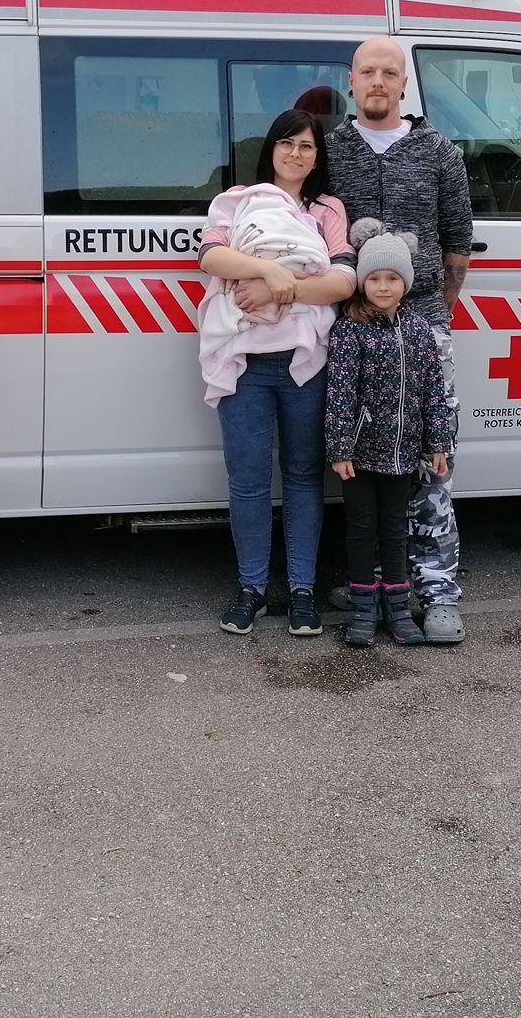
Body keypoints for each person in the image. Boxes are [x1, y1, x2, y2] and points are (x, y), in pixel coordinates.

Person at [248, 37, 472, 643]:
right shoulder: (330, 149)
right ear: (351, 81)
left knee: (430, 462)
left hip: (422, 322)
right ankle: (375, 580)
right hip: (344, 327)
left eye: (390, 73)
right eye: (368, 71)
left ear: (406, 84)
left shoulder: (440, 153)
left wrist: (434, 320)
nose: (378, 81)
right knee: (357, 463)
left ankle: (438, 589)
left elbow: (456, 245)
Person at [198, 109, 355, 636]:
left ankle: (304, 591)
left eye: (307, 147)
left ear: (318, 157)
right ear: (271, 149)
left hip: (303, 364)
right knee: (246, 481)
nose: (296, 154)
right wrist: (266, 268)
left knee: (305, 478)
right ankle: (252, 589)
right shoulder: (243, 200)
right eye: (287, 143)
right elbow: (212, 257)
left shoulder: (329, 210)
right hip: (244, 363)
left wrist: (273, 289)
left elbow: (343, 282)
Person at [326, 224, 455, 648]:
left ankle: (398, 609)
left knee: (396, 528)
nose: (383, 286)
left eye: (392, 278)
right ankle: (364, 608)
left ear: (406, 284)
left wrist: (437, 444)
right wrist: (340, 447)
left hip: (404, 454)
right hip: (360, 456)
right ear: (362, 282)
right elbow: (340, 393)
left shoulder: (419, 331)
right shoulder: (349, 330)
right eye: (375, 278)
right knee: (362, 528)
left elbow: (435, 392)